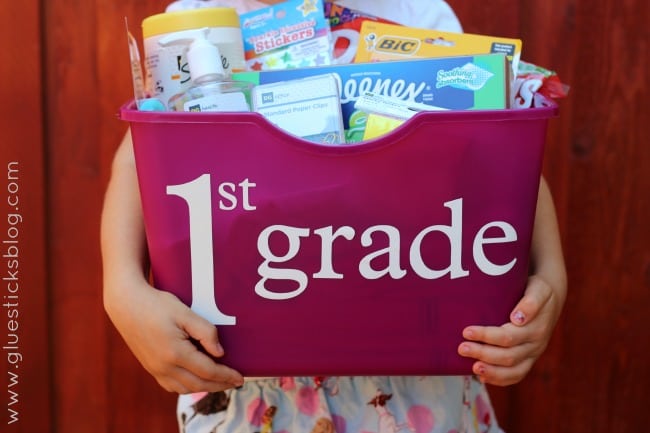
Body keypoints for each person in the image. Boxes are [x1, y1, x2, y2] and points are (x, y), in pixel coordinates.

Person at [101, 1, 567, 432]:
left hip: (421, 388)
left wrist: (551, 276)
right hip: (244, 389)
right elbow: (142, 149)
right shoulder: (194, 23)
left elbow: (504, 142)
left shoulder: (418, 13)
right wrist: (122, 288)